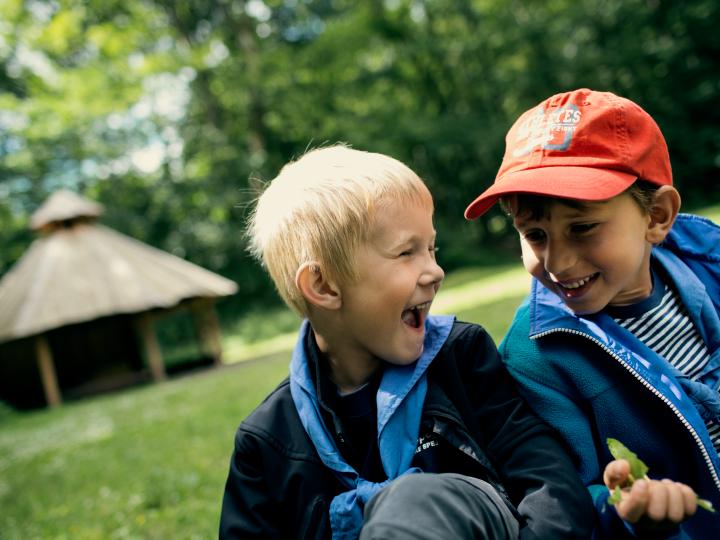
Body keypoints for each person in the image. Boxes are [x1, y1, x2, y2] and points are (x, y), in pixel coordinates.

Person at [219, 144, 593, 539]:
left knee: (413, 499)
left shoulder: (462, 358)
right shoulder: (266, 442)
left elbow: (547, 481)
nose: (435, 271)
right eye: (405, 253)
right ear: (324, 285)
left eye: (431, 248)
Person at [464, 88, 720, 539]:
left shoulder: (711, 266)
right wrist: (628, 509)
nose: (558, 262)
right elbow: (565, 494)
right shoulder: (535, 355)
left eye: (582, 227)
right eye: (535, 234)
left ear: (657, 216)